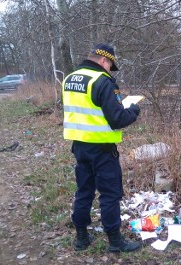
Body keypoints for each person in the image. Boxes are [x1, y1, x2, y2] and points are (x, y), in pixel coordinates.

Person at [62, 43, 141, 253]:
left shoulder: (69, 79)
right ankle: (115, 241)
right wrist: (133, 110)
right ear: (104, 60)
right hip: (102, 150)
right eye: (110, 65)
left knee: (84, 191)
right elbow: (117, 118)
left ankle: (81, 238)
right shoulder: (103, 82)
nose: (109, 70)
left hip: (79, 146)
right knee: (110, 194)